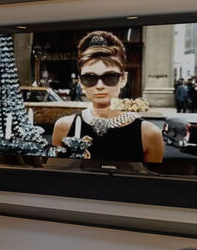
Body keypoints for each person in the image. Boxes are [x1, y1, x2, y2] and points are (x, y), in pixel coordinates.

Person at [52, 31, 164, 163]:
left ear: (123, 79)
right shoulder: (63, 127)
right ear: (81, 82)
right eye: (90, 78)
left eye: (110, 77)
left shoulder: (149, 134)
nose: (100, 86)